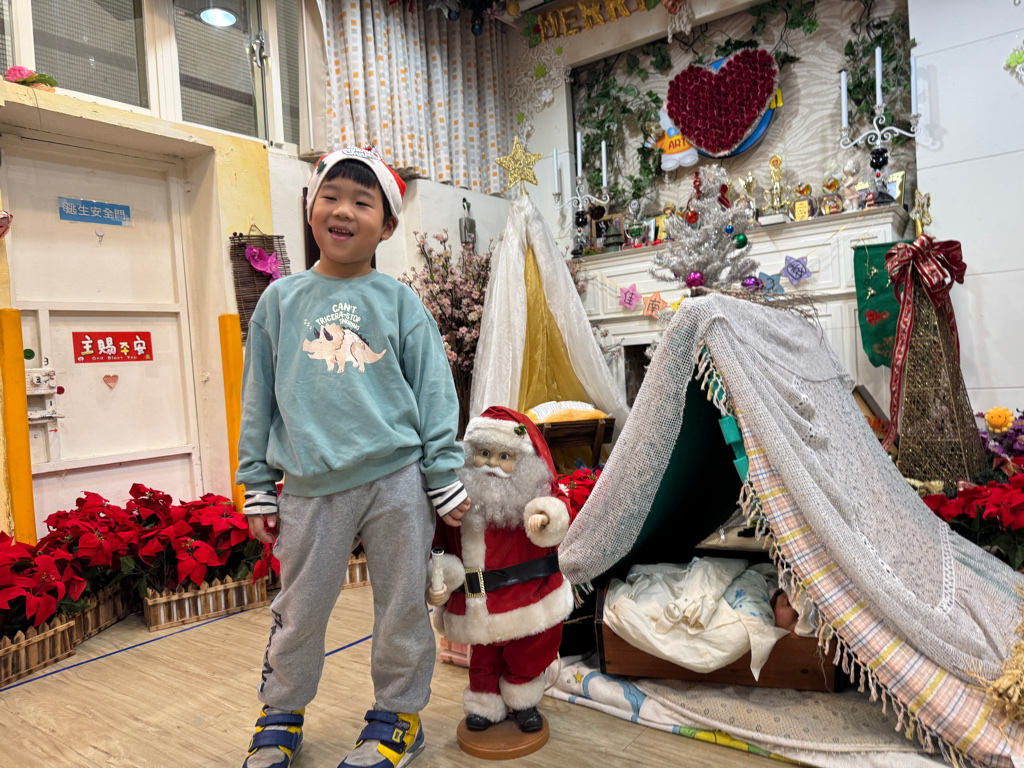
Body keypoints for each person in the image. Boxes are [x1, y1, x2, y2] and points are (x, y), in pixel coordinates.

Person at [237, 144, 471, 768]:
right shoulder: (279, 302)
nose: (343, 211)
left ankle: (398, 717)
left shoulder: (400, 302)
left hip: (396, 481)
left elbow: (435, 393)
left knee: (401, 607)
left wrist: (443, 474)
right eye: (331, 197)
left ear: (387, 226)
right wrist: (256, 482)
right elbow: (258, 398)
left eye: (362, 202)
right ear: (310, 208)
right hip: (309, 485)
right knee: (299, 610)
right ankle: (280, 711)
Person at [429, 406, 576, 733]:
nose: (492, 464)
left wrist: (546, 517)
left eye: (504, 456)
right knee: (482, 657)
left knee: (527, 651)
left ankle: (523, 700)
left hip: (526, 596)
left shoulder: (533, 494)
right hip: (477, 601)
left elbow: (559, 507)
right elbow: (439, 544)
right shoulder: (457, 500)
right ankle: (484, 702)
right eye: (483, 454)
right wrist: (438, 579)